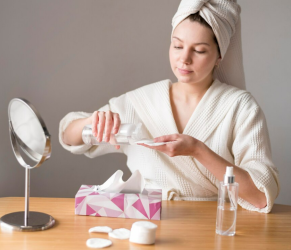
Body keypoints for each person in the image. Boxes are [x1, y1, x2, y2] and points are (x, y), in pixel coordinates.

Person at [59, 0, 279, 213]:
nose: (184, 58)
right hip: (147, 220)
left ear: (219, 56)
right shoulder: (141, 102)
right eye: (177, 46)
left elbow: (260, 196)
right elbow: (68, 136)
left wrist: (198, 151)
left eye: (199, 50)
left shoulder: (240, 107)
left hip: (214, 226)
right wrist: (92, 122)